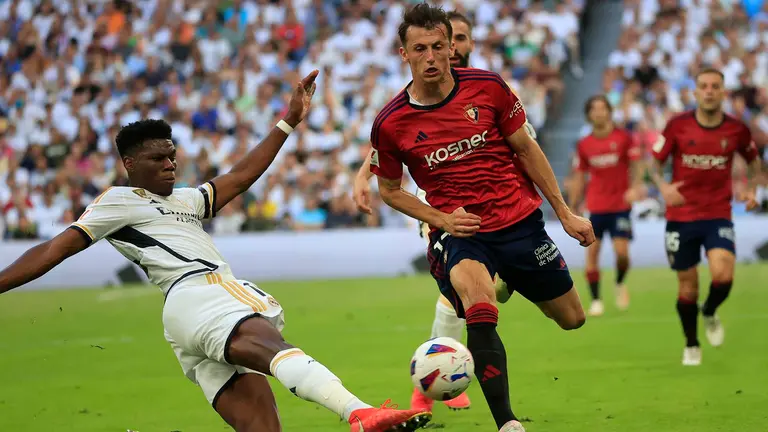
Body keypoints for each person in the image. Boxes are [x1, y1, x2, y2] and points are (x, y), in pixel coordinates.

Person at [0, 71, 432, 432]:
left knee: (262, 425)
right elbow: (57, 247)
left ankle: (358, 413)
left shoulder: (186, 200)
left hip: (184, 318)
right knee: (271, 344)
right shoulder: (119, 199)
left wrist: (288, 122)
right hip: (203, 292)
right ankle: (358, 412)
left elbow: (241, 177)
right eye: (158, 159)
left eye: (172, 157)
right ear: (131, 165)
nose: (170, 165)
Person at [368, 4, 594, 432]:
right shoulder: (391, 121)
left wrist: (564, 213)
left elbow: (527, 149)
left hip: (519, 223)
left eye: (439, 46)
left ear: (451, 47)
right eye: (421, 49)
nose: (432, 56)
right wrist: (442, 220)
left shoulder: (488, 88)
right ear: (404, 54)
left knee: (572, 319)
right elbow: (390, 191)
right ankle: (507, 422)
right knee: (479, 307)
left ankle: (507, 278)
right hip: (463, 233)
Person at [354, 10, 491, 414]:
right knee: (460, 289)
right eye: (455, 39)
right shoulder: (417, 91)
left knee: (490, 290)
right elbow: (391, 141)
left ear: (461, 44)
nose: (457, 47)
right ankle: (429, 382)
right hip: (440, 207)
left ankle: (434, 376)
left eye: (462, 39)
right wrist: (365, 175)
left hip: (493, 205)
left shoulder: (485, 89)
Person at [649, 67, 762, 366]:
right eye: (704, 86)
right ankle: (691, 343)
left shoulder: (737, 130)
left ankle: (709, 310)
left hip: (717, 214)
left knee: (723, 276)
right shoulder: (677, 125)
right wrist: (663, 187)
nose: (710, 91)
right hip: (680, 215)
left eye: (715, 86)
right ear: (695, 92)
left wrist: (752, 190)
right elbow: (654, 164)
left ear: (723, 93)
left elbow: (754, 162)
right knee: (688, 286)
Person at [569, 95, 645, 316]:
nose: (599, 113)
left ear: (609, 112)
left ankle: (619, 282)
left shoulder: (624, 138)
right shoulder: (584, 145)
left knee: (622, 254)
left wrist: (636, 186)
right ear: (589, 115)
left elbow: (637, 164)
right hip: (595, 205)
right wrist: (572, 205)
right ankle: (596, 300)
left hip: (620, 204)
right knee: (592, 253)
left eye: (602, 109)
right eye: (594, 109)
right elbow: (579, 176)